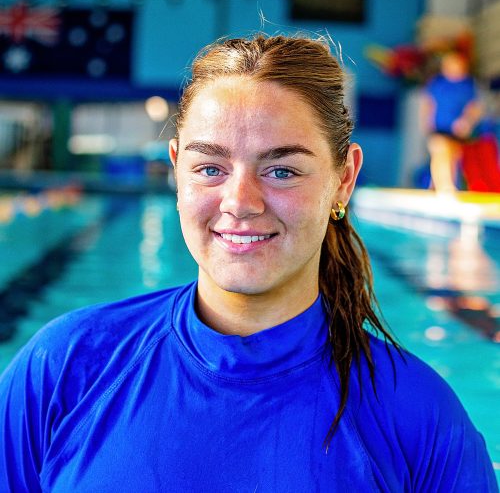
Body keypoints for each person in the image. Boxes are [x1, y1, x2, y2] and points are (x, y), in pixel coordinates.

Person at [0, 34, 497, 492]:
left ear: (343, 180)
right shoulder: (68, 368)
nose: (239, 201)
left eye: (281, 170)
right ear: (177, 169)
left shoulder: (418, 417)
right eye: (210, 168)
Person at [423, 50, 486, 192]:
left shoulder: (468, 85)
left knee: (452, 156)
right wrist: (427, 121)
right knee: (440, 152)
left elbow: (474, 107)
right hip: (439, 125)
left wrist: (467, 122)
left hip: (458, 127)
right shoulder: (437, 83)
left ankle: (436, 184)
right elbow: (429, 103)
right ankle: (445, 186)